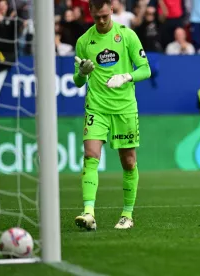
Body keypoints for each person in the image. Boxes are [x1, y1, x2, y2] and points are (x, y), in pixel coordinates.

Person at [72, 0, 151, 230]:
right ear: (91, 13)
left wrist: (126, 77)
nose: (102, 21)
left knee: (128, 162)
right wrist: (82, 73)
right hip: (96, 107)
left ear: (112, 10)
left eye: (105, 15)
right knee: (90, 154)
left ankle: (127, 215)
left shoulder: (127, 36)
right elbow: (78, 81)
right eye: (97, 17)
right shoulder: (84, 41)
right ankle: (89, 213)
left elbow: (145, 69)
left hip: (124, 108)